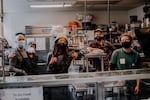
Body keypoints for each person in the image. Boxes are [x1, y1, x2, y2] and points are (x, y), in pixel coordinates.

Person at [110, 33, 141, 100]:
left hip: (132, 84)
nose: (125, 41)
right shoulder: (116, 53)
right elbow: (111, 69)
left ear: (131, 41)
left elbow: (138, 72)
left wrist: (137, 85)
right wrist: (116, 80)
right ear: (120, 42)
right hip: (119, 83)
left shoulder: (136, 55)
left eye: (127, 40)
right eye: (123, 40)